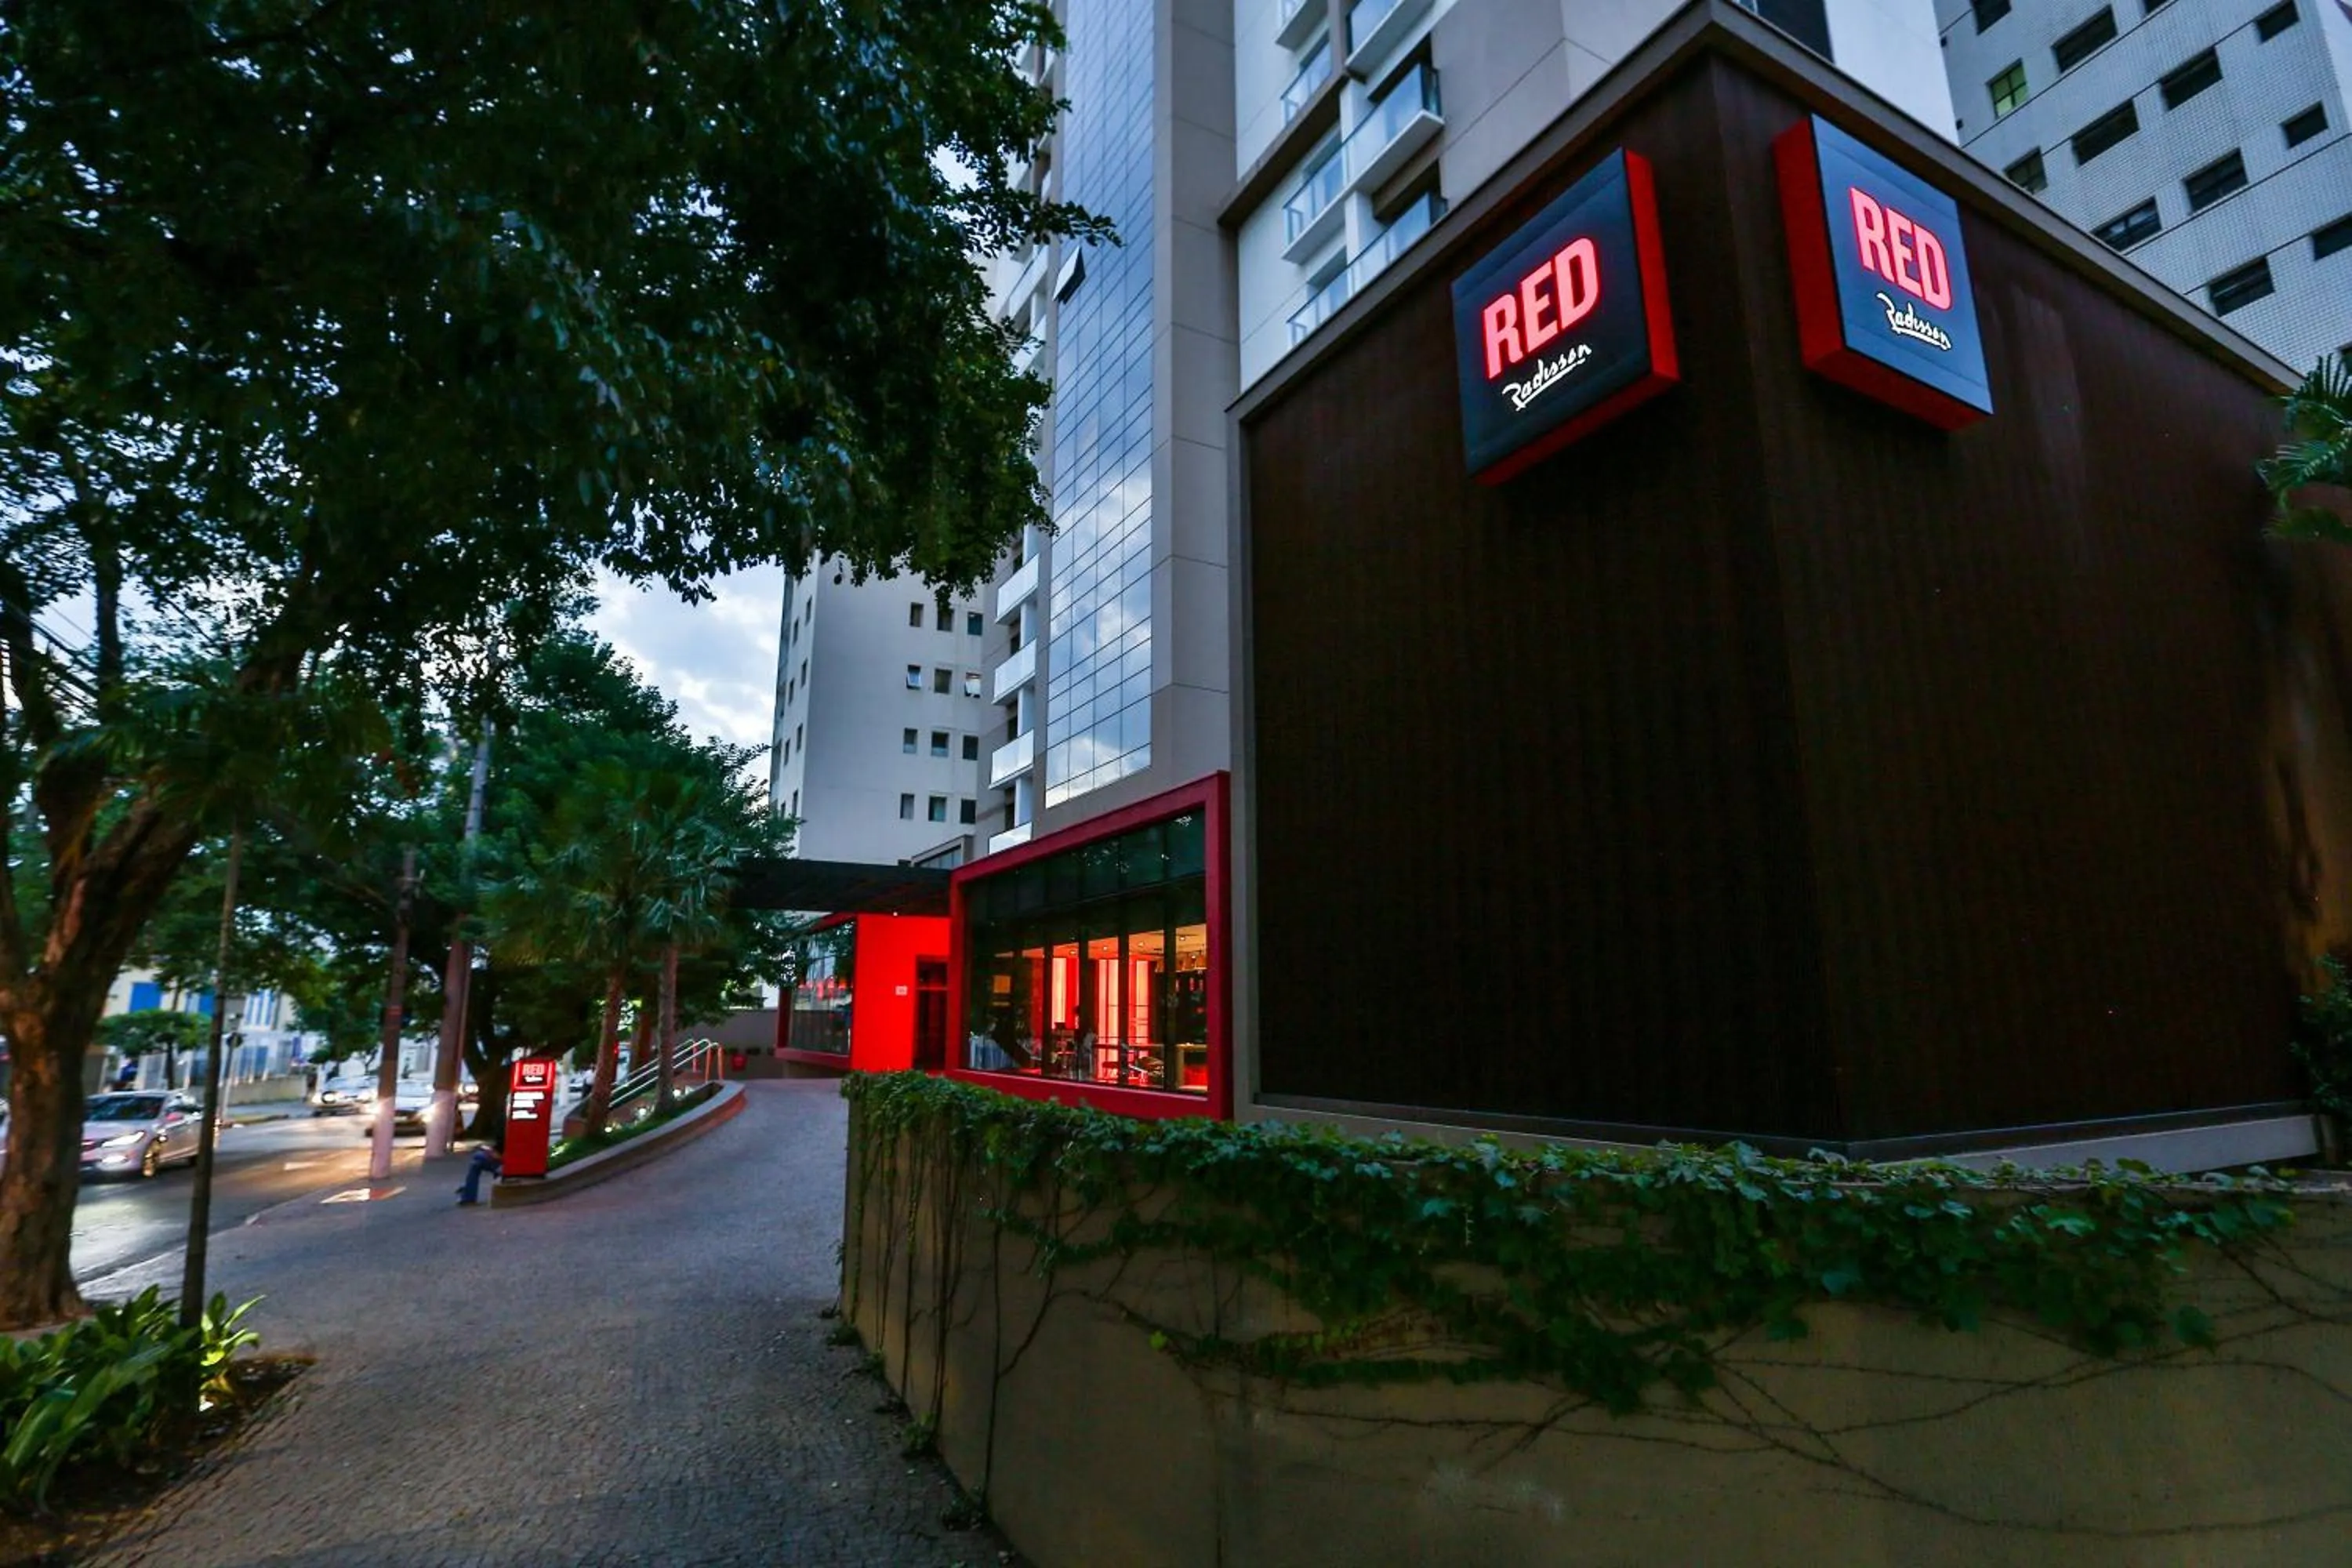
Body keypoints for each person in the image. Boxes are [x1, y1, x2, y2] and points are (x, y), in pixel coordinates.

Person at [456, 1140, 503, 1206]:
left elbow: (498, 1154)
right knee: (477, 1162)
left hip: (504, 1164)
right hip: (503, 1161)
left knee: (477, 1159)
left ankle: (469, 1195)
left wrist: (492, 1152)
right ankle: (468, 1193)